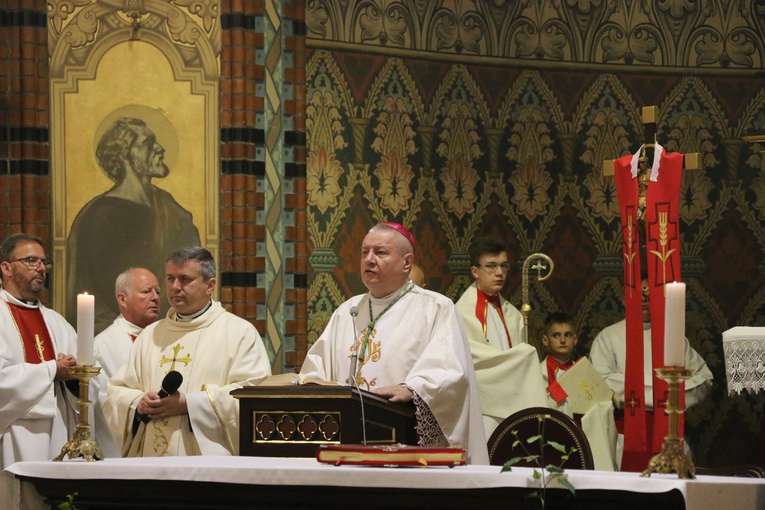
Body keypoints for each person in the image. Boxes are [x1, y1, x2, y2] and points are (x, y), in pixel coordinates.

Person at [299, 222, 489, 464]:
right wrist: (311, 383)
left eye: (380, 253)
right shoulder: (348, 310)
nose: (369, 259)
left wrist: (413, 388)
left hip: (404, 441)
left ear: (406, 262)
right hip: (346, 444)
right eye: (364, 252)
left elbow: (451, 371)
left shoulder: (436, 308)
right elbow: (318, 367)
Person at [103, 247, 271, 457]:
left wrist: (189, 404)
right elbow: (117, 391)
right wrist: (138, 403)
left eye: (185, 279)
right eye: (170, 278)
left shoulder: (239, 333)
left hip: (207, 467)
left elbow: (252, 398)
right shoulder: (150, 335)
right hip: (150, 464)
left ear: (209, 286)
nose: (175, 287)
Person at [66, 116, 201, 334]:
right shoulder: (103, 216)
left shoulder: (167, 206)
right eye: (148, 144)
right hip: (119, 336)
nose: (159, 149)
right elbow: (110, 292)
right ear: (125, 156)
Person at [590, 277, 713, 471]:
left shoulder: (673, 338)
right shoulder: (608, 337)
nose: (645, 299)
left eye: (650, 294)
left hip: (668, 430)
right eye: (640, 294)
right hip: (626, 434)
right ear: (625, 299)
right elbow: (601, 382)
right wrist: (663, 393)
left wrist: (665, 396)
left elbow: (705, 378)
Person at [455, 237, 547, 439]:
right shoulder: (461, 312)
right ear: (475, 271)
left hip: (514, 400)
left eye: (504, 266)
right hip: (484, 405)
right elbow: (469, 360)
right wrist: (519, 358)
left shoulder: (513, 313)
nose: (499, 273)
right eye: (491, 266)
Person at [0, 234, 78, 468]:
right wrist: (53, 369)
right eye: (32, 261)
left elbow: (83, 383)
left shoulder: (58, 322)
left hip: (60, 432)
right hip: (12, 434)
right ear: (6, 268)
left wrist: (75, 374)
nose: (42, 268)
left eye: (44, 262)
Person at [92, 267, 161, 458]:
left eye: (158, 291)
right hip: (121, 445)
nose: (155, 297)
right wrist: (137, 402)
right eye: (147, 291)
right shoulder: (103, 346)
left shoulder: (165, 336)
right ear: (122, 299)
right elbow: (103, 401)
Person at [540, 312, 618, 471]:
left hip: (583, 435)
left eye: (568, 335)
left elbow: (598, 402)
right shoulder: (537, 372)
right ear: (545, 340)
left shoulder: (585, 372)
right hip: (552, 435)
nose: (562, 340)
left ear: (575, 340)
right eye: (556, 335)